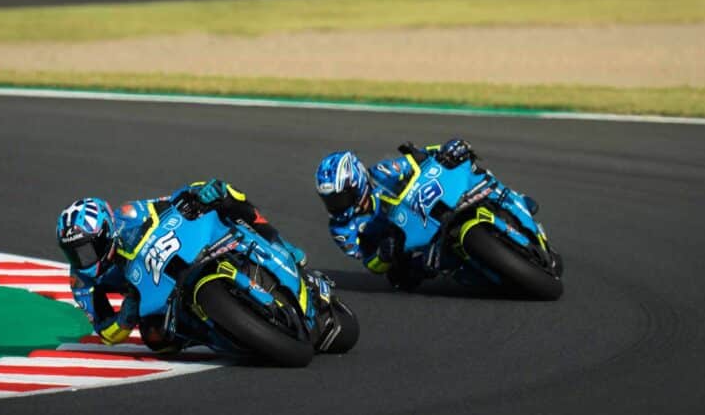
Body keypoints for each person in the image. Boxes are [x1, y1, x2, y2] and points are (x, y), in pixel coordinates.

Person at [56, 180, 307, 350]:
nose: (81, 259)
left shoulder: (128, 215)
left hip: (179, 253)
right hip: (152, 294)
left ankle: (278, 243)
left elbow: (165, 202)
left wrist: (194, 196)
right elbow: (106, 333)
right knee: (156, 338)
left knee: (222, 192)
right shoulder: (81, 280)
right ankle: (224, 337)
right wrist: (127, 314)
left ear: (106, 232)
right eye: (73, 253)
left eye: (86, 249)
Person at [315, 139, 538, 290]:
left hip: (433, 208)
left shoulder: (384, 173)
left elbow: (422, 158)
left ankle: (511, 200)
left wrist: (448, 150)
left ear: (358, 183)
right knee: (401, 280)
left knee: (471, 171)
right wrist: (381, 256)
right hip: (410, 250)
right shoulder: (341, 228)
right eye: (330, 200)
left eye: (340, 198)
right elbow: (367, 262)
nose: (336, 206)